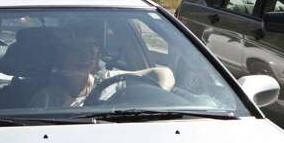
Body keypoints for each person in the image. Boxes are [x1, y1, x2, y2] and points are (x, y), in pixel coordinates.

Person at [28, 40, 175, 109]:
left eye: (92, 50)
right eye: (78, 51)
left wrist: (159, 96)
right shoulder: (46, 98)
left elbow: (163, 72)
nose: (86, 56)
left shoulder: (110, 80)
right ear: (61, 57)